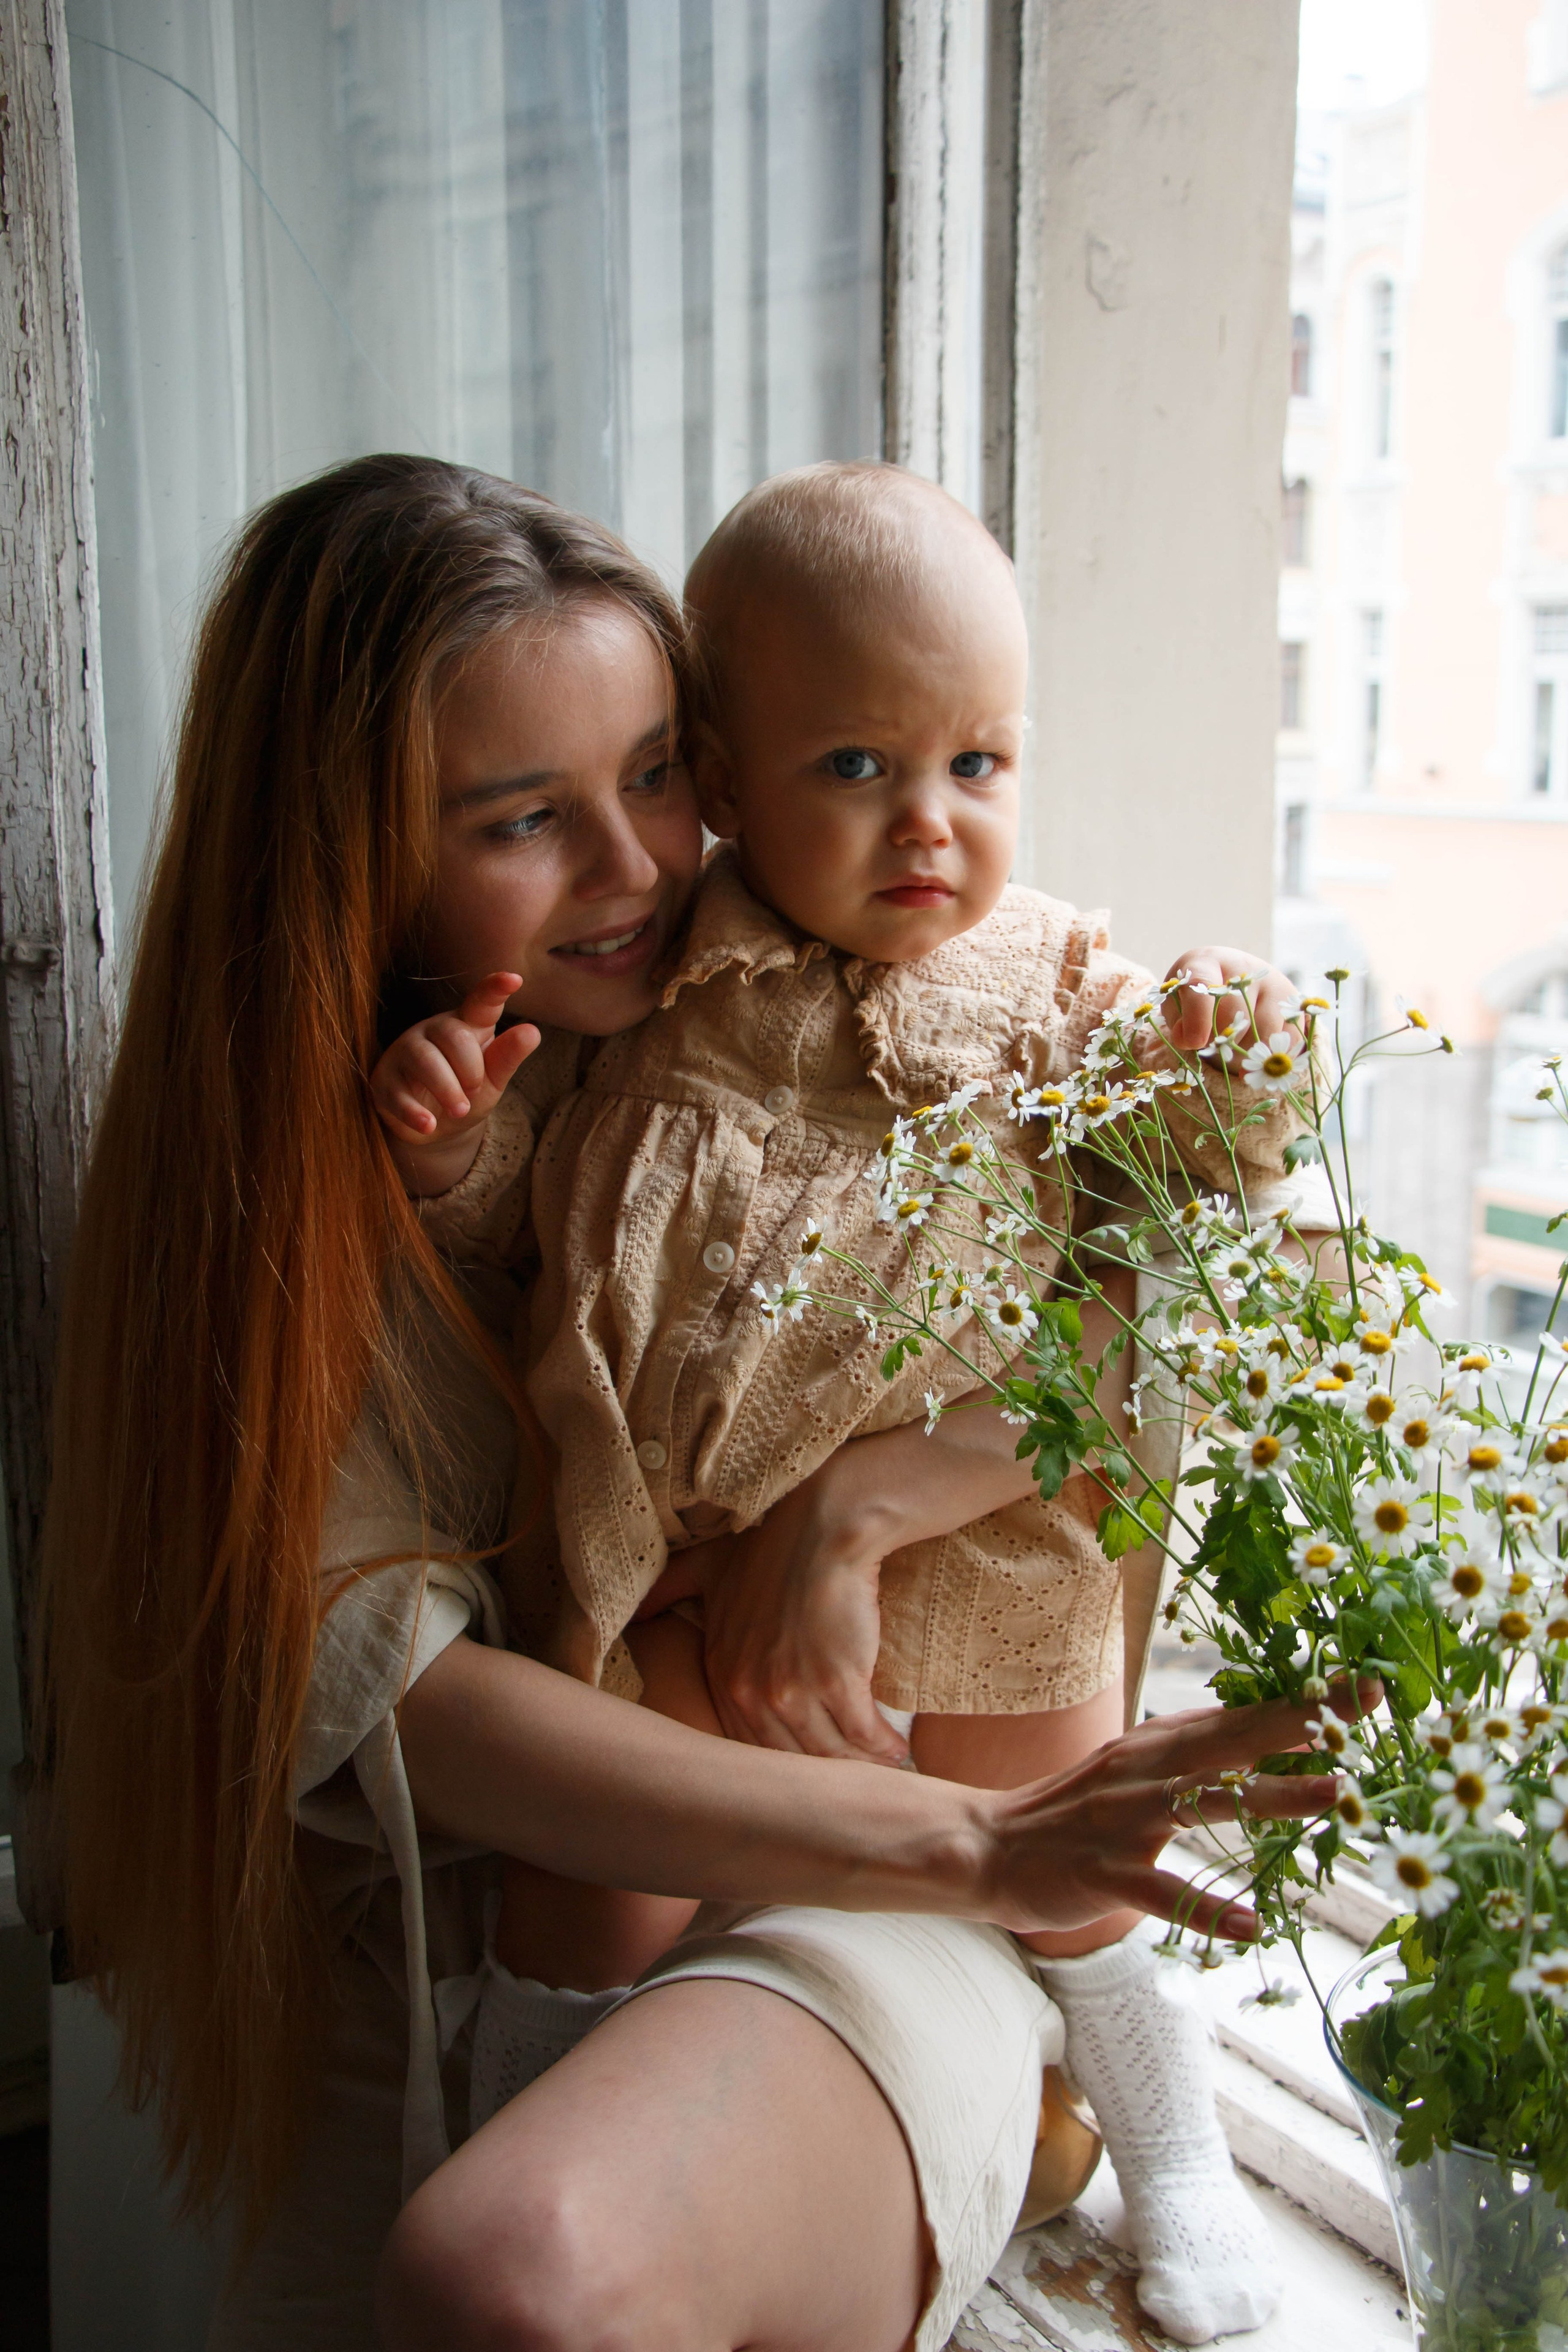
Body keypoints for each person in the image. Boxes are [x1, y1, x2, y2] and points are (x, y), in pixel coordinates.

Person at [37, 454, 1341, 2352]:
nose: (645, 864)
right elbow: (494, 1366)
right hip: (651, 1848)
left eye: (650, 775)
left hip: (902, 1800)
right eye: (524, 818)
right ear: (351, 855)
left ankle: (1116, 2126)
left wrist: (871, 1507)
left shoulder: (991, 989)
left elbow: (1168, 1277)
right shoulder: (555, 1075)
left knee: (518, 2261)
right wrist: (440, 1172)